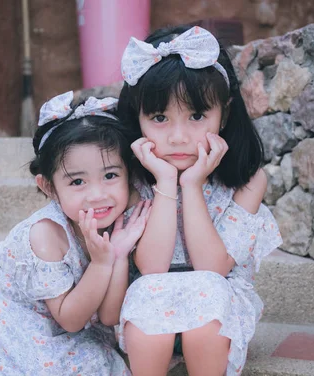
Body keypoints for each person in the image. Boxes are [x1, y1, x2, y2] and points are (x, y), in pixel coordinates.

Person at [116, 26, 283, 376]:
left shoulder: (248, 181)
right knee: (149, 291)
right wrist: (164, 180)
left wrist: (192, 185)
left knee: (206, 294)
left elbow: (212, 269)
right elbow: (152, 268)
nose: (178, 138)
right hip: (149, 311)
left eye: (196, 116)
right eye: (159, 118)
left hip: (217, 313)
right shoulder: (135, 177)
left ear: (224, 113)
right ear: (139, 119)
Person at [0, 91, 149, 376]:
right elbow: (70, 320)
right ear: (49, 187)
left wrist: (116, 255)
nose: (97, 194)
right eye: (77, 181)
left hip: (71, 311)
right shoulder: (46, 237)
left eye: (110, 176)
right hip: (17, 315)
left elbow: (108, 315)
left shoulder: (123, 216)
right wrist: (103, 262)